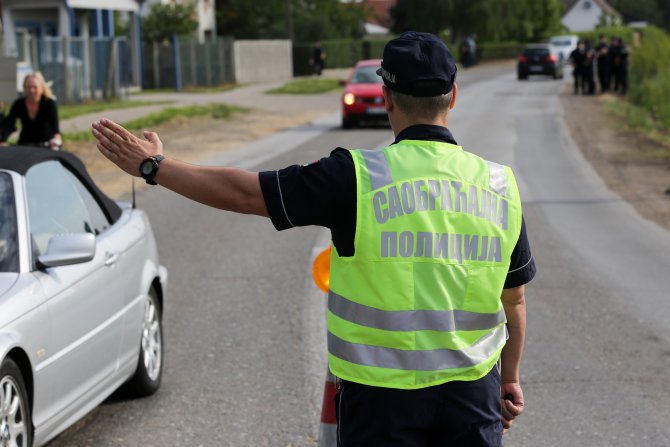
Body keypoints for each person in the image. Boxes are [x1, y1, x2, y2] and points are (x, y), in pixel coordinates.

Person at [92, 31, 536, 446]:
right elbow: (512, 301)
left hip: (380, 404)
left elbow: (245, 194)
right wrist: (509, 379)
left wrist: (154, 167)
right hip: (474, 399)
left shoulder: (357, 176)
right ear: (453, 97)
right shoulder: (499, 185)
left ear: (387, 99)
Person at [0, 72, 62, 150]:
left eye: (34, 87)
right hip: (25, 145)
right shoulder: (18, 104)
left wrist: (56, 142)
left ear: (41, 88)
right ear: (24, 88)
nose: (31, 90)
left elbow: (55, 129)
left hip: (46, 145)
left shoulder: (49, 103)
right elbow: (9, 124)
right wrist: (3, 140)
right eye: (28, 87)